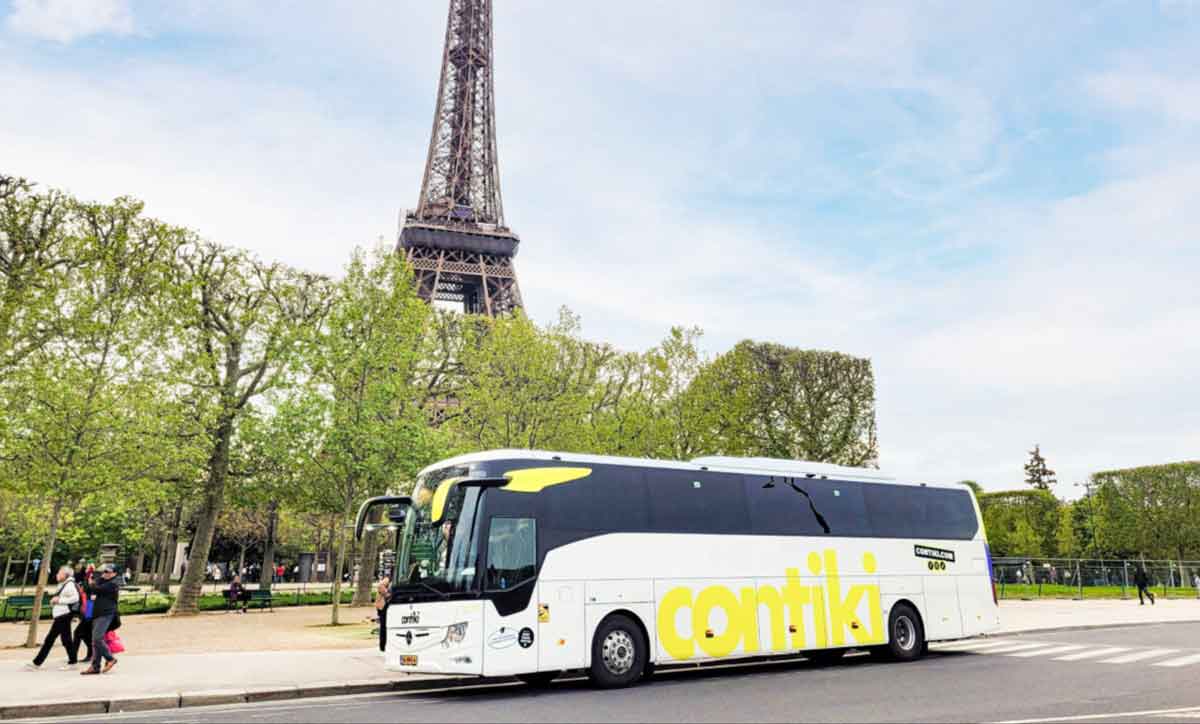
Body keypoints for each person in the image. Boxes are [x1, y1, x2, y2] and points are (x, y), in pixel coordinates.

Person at [25, 566, 81, 671]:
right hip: (62, 615)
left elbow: (75, 598)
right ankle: (73, 662)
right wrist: (57, 600)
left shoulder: (69, 585)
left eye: (59, 573)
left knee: (50, 640)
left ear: (66, 575)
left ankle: (37, 663)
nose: (57, 575)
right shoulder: (64, 584)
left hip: (63, 615)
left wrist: (59, 600)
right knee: (66, 640)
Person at [81, 564, 120, 675]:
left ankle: (110, 658)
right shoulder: (101, 580)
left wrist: (92, 581)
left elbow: (95, 589)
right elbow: (87, 589)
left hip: (106, 614)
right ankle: (95, 666)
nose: (106, 573)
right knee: (95, 640)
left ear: (114, 573)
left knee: (97, 638)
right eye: (105, 571)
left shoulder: (113, 584)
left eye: (108, 572)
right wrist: (87, 575)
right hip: (96, 614)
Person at [72, 566, 94, 663]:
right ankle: (90, 654)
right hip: (85, 611)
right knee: (85, 635)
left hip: (90, 611)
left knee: (78, 633)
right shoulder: (85, 582)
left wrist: (89, 573)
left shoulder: (92, 585)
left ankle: (73, 656)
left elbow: (88, 589)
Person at [375, 577, 391, 652]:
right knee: (384, 626)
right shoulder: (388, 579)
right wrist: (388, 594)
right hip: (383, 606)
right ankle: (383, 645)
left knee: (384, 626)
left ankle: (384, 645)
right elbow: (380, 586)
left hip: (382, 606)